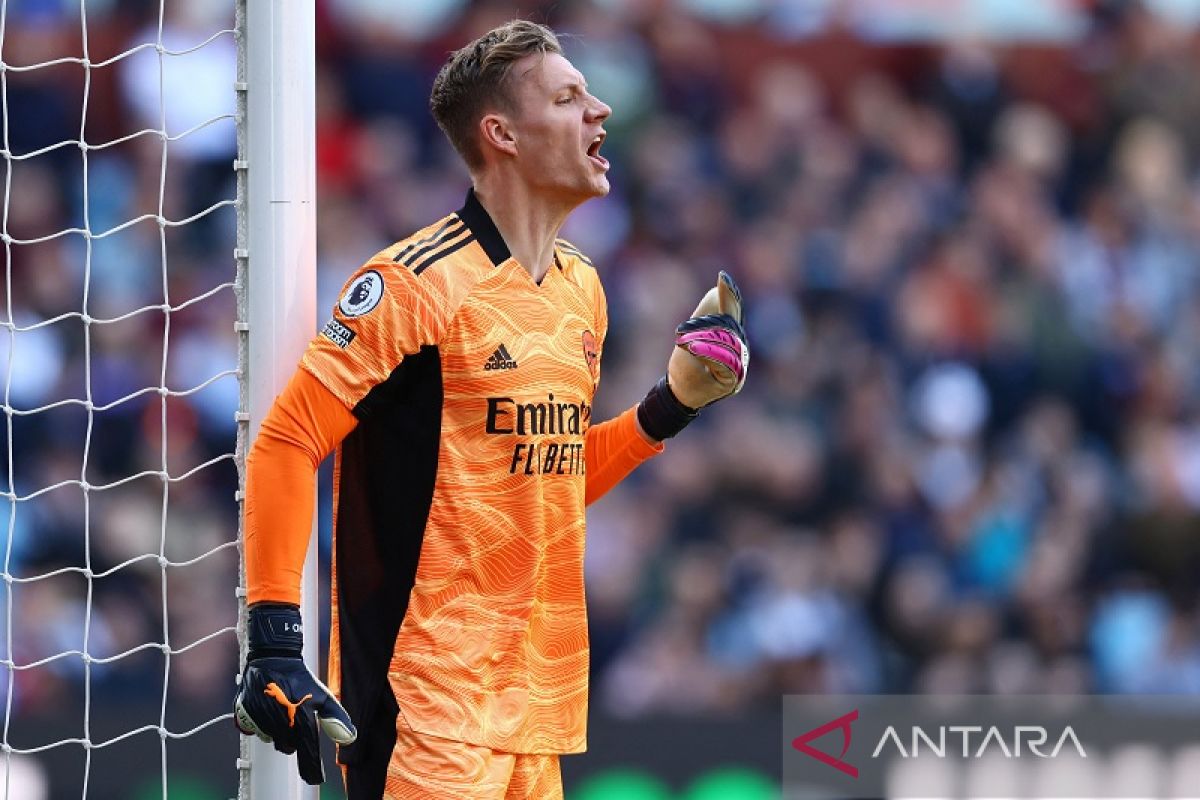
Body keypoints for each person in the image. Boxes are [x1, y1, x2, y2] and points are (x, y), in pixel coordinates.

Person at [233, 19, 749, 799]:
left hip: (534, 711)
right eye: (570, 97)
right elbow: (286, 440)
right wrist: (274, 641)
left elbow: (546, 482)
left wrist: (669, 406)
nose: (600, 109)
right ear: (501, 133)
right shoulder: (412, 284)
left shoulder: (583, 289)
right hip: (424, 707)